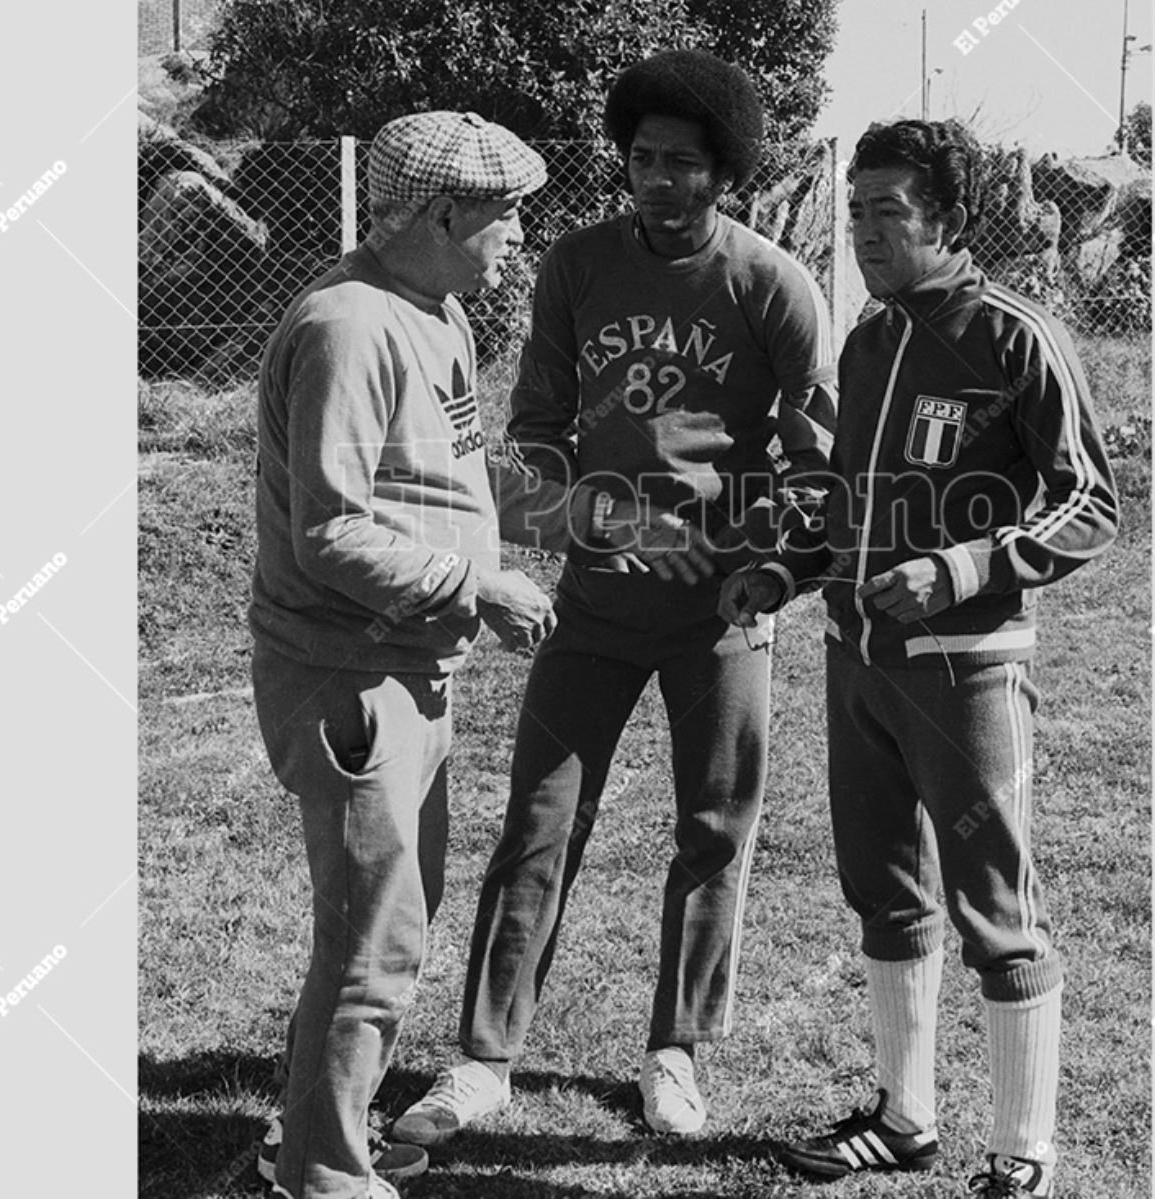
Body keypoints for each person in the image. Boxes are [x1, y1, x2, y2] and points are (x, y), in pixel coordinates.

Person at [392, 49, 838, 1144]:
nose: (659, 180)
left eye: (684, 163)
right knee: (540, 820)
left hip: (720, 610)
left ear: (725, 171)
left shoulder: (773, 282)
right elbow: (535, 428)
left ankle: (674, 1052)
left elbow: (820, 453)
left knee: (712, 829)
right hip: (593, 602)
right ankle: (484, 1058)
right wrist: (572, 523)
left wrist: (761, 554)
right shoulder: (575, 268)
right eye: (642, 158)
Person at [717, 119, 1118, 1197]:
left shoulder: (1015, 334)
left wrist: (964, 567)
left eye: (887, 215)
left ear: (949, 220)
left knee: (996, 905)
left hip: (967, 668)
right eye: (855, 216)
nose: (864, 236)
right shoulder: (870, 339)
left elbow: (1092, 504)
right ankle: (905, 1117)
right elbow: (849, 501)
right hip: (859, 662)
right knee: (885, 893)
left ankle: (1022, 1148)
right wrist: (790, 569)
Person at [248, 110, 559, 1199]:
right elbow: (328, 529)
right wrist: (477, 584)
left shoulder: (441, 312)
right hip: (350, 675)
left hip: (414, 664)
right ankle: (323, 1175)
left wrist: (584, 518)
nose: (521, 232)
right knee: (370, 942)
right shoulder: (347, 326)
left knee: (393, 926)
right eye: (507, 213)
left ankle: (313, 1137)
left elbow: (445, 479)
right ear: (444, 213)